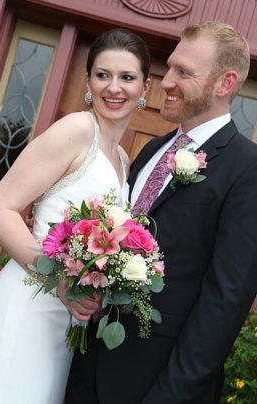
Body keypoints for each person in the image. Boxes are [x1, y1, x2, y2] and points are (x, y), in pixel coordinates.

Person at [66, 21, 257, 404]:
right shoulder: (153, 149)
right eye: (169, 66)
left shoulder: (247, 168)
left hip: (156, 384)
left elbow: (225, 301)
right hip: (87, 366)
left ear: (225, 83)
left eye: (184, 72)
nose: (166, 80)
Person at [0, 28, 150, 404]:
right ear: (88, 81)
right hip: (28, 305)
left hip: (67, 321)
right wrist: (59, 281)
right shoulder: (76, 129)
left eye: (127, 77)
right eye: (103, 75)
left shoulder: (121, 158)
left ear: (144, 87)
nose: (113, 87)